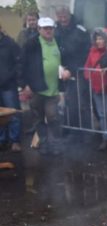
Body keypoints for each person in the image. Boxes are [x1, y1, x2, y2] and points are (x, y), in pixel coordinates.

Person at [20, 17, 69, 155]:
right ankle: (44, 143)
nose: (48, 31)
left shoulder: (59, 42)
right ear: (39, 29)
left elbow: (66, 59)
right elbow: (22, 65)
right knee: (38, 118)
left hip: (54, 89)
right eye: (45, 28)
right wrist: (24, 85)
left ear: (54, 29)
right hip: (36, 89)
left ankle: (56, 144)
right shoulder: (31, 44)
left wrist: (67, 69)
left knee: (53, 116)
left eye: (50, 28)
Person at [54, 6, 90, 129]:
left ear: (69, 15)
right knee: (61, 104)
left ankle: (80, 132)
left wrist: (71, 69)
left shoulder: (80, 30)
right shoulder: (54, 30)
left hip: (77, 72)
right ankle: (66, 129)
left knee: (78, 104)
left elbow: (85, 54)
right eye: (60, 17)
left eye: (65, 16)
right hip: (59, 71)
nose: (63, 19)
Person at [84, 28, 107, 150]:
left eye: (101, 38)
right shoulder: (92, 52)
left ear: (106, 39)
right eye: (97, 38)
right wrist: (90, 77)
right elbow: (87, 67)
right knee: (102, 114)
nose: (99, 41)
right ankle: (105, 138)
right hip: (96, 87)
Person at [0, 24, 22, 152]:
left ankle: (15, 140)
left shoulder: (10, 43)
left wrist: (13, 76)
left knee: (13, 112)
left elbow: (19, 61)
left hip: (8, 85)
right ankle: (1, 139)